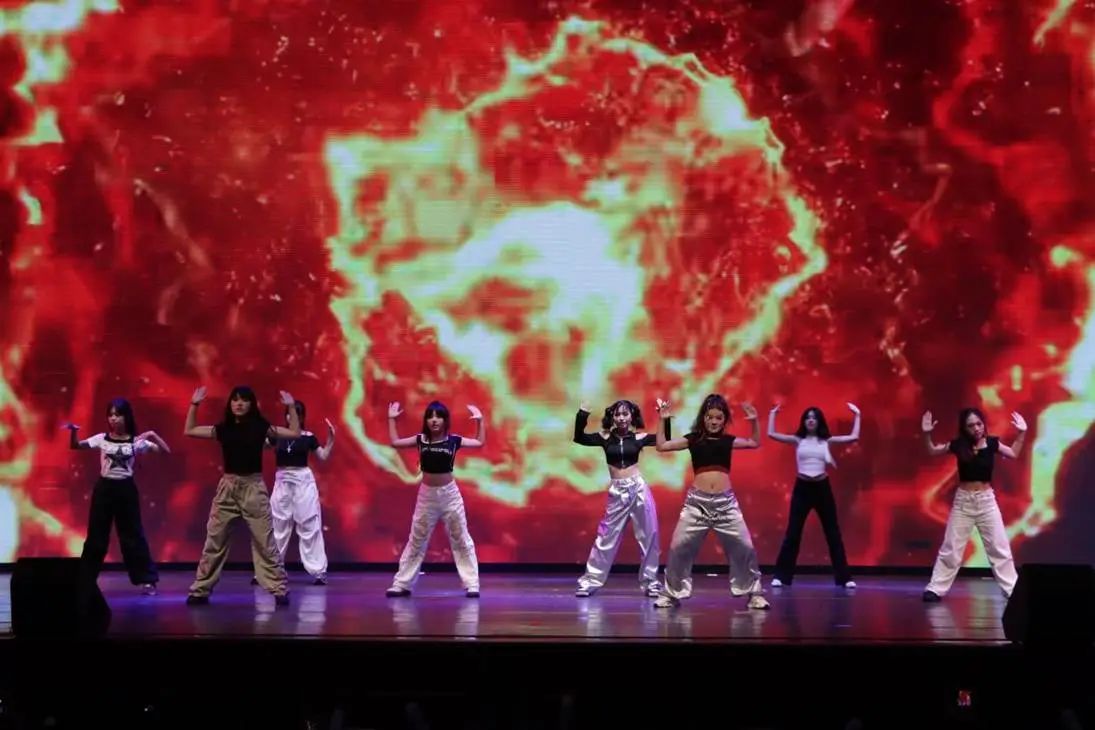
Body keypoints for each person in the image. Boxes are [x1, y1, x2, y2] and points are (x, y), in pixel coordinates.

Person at [183, 385, 299, 607]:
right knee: (214, 540)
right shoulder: (224, 428)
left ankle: (279, 588)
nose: (239, 403)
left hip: (253, 488)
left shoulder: (260, 427)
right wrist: (194, 404)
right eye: (235, 399)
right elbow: (190, 430)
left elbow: (294, 433)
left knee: (265, 542)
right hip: (228, 487)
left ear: (251, 404)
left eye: (244, 400)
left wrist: (291, 407)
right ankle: (200, 589)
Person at [652, 394, 769, 610]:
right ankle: (670, 594)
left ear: (724, 420)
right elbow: (661, 446)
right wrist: (663, 419)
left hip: (726, 504)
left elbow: (754, 442)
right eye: (710, 417)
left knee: (744, 546)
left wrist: (754, 420)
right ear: (703, 418)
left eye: (718, 418)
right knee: (678, 547)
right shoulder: (693, 439)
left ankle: (754, 593)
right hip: (696, 504)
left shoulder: (727, 441)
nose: (714, 422)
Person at [921, 407, 1026, 601]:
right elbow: (932, 450)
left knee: (999, 547)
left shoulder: (992, 443)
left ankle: (1012, 589)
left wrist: (1021, 433)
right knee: (951, 548)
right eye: (971, 426)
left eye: (979, 424)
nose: (976, 428)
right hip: (963, 502)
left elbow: (1013, 453)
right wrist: (927, 434)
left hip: (986, 502)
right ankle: (935, 589)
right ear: (964, 428)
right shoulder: (959, 445)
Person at [66, 398, 169, 595]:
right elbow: (76, 445)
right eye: (110, 415)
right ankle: (85, 580)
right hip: (104, 489)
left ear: (126, 417)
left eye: (118, 414)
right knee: (96, 536)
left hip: (126, 490)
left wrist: (152, 435)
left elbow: (165, 452)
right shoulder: (102, 438)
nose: (113, 418)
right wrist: (74, 432)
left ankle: (147, 580)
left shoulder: (136, 442)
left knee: (133, 535)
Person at [385, 400, 484, 598]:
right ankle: (402, 584)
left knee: (461, 538)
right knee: (417, 539)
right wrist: (391, 419)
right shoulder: (421, 439)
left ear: (445, 420)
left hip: (450, 495)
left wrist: (480, 421)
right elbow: (395, 443)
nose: (434, 420)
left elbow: (479, 442)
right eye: (430, 416)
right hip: (427, 496)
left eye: (438, 416)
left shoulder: (453, 440)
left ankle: (472, 584)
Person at [572, 399, 666, 597]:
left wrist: (664, 418)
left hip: (638, 488)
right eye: (618, 414)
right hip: (618, 491)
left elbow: (664, 440)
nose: (621, 418)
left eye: (625, 414)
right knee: (606, 537)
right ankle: (590, 581)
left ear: (632, 417)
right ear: (612, 417)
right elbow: (579, 437)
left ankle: (651, 582)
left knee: (650, 535)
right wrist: (582, 414)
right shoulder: (605, 437)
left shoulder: (639, 437)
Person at [768, 403, 860, 588]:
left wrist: (857, 415)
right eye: (808, 418)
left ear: (819, 422)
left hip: (822, 488)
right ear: (804, 421)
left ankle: (845, 578)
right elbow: (771, 434)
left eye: (814, 418)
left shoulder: (826, 441)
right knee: (793, 533)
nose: (811, 420)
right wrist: (772, 414)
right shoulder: (798, 440)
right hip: (802, 488)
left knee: (833, 533)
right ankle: (782, 576)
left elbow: (853, 437)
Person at [266, 400, 335, 585]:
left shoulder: (308, 437)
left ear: (302, 417)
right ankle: (270, 570)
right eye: (290, 412)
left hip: (303, 481)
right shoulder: (277, 434)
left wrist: (330, 439)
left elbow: (323, 456)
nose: (293, 416)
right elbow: (262, 445)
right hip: (282, 480)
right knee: (277, 526)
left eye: (297, 413)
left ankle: (318, 571)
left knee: (309, 525)